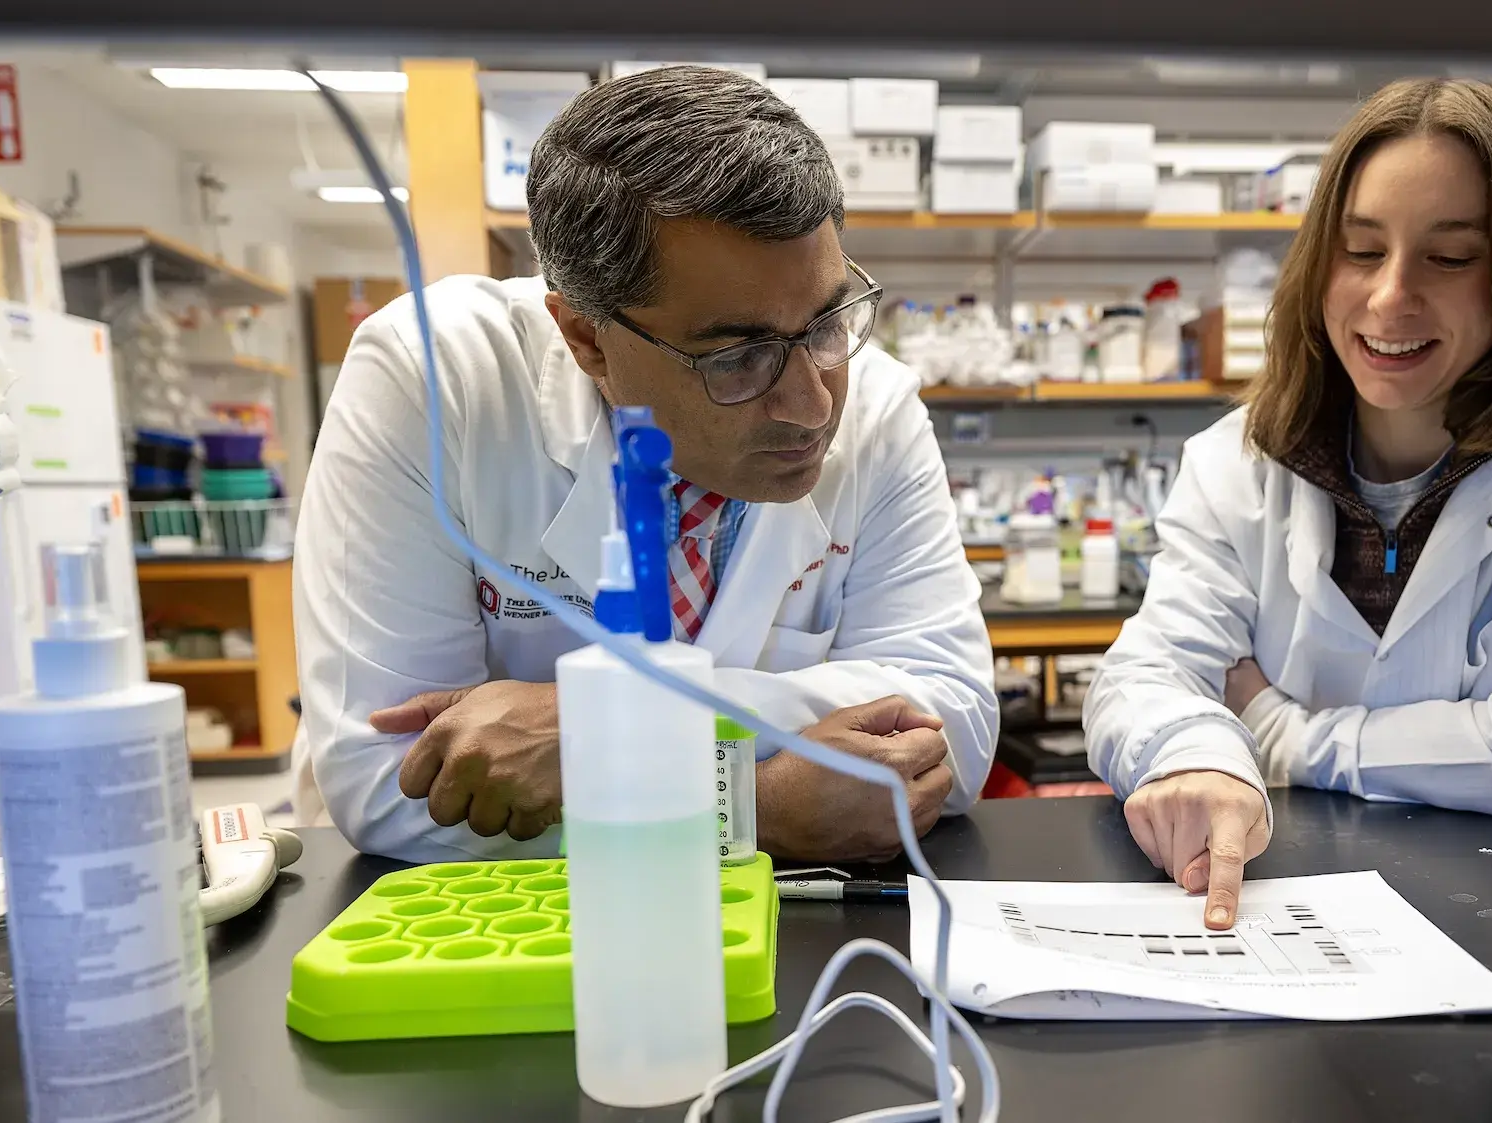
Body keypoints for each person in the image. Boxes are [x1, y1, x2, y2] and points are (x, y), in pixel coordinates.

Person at [293, 66, 997, 864]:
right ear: (586, 337)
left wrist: (593, 728)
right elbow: (390, 780)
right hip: (472, 933)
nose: (812, 403)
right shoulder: (435, 377)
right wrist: (752, 805)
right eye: (738, 354)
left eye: (829, 319)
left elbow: (953, 731)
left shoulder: (874, 400)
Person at [1085, 78, 1492, 929]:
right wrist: (1205, 755)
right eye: (1359, 250)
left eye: (1451, 256)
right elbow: (1145, 674)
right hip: (1293, 917)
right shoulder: (1239, 456)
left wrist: (1281, 735)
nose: (1389, 296)